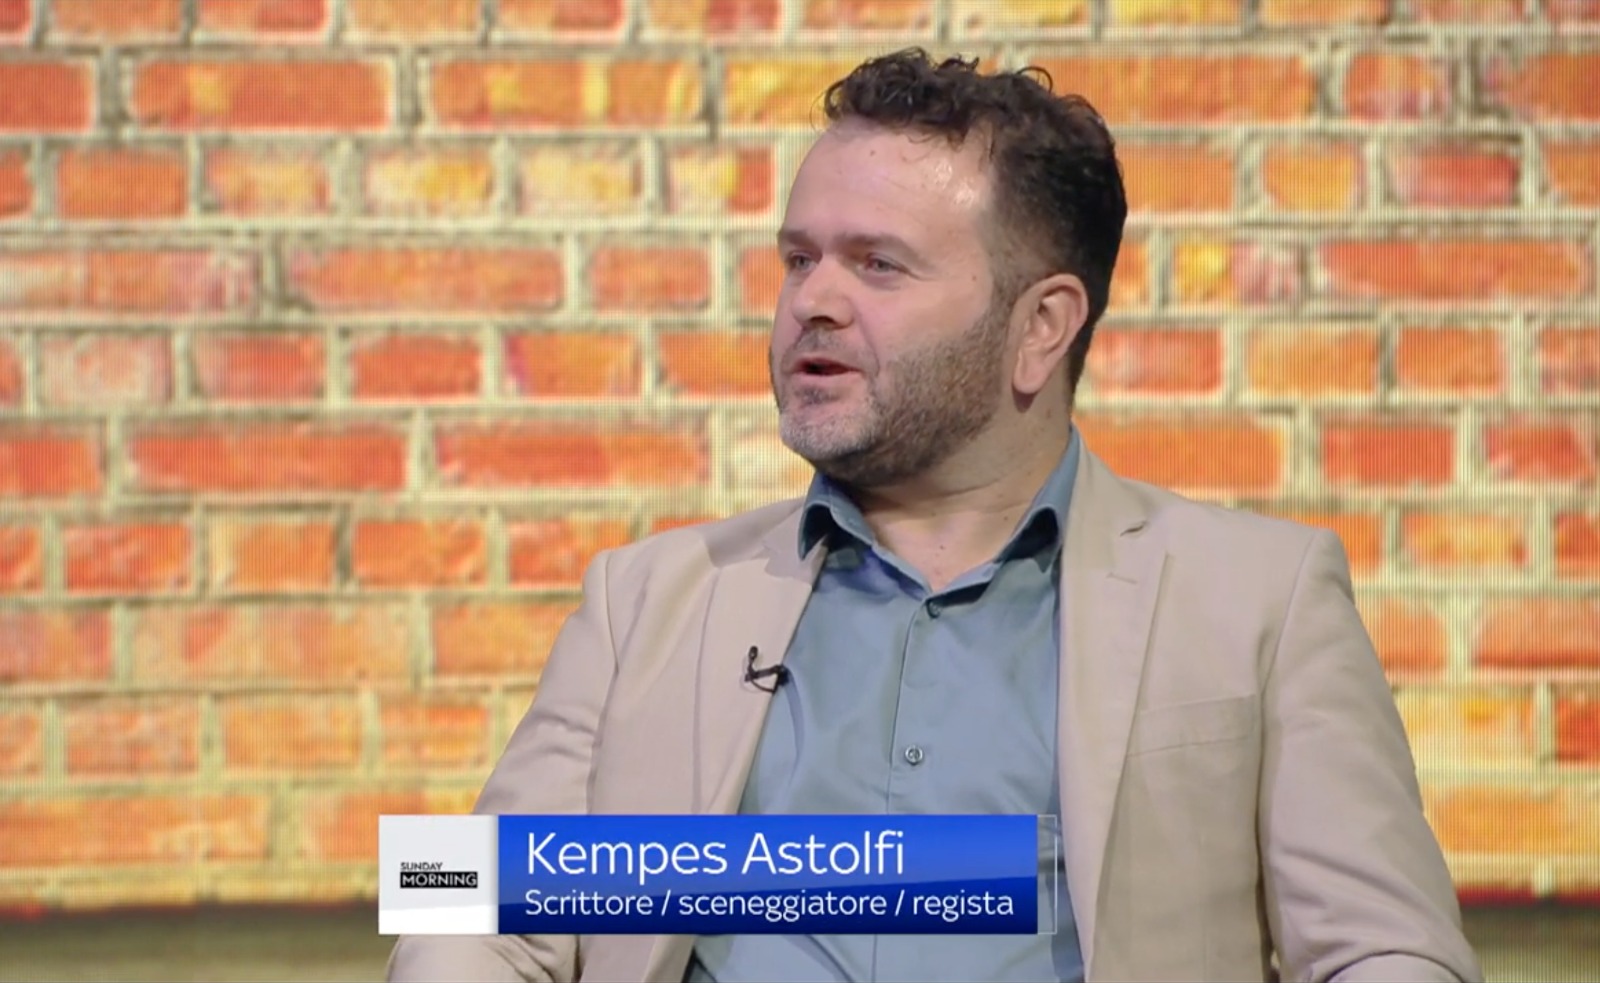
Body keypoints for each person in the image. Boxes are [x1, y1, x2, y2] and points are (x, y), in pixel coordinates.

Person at [388, 48, 1482, 983]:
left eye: (877, 264)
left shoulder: (1257, 601)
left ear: (1040, 327)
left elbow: (1385, 948)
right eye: (799, 259)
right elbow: (465, 897)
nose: (813, 300)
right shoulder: (647, 602)